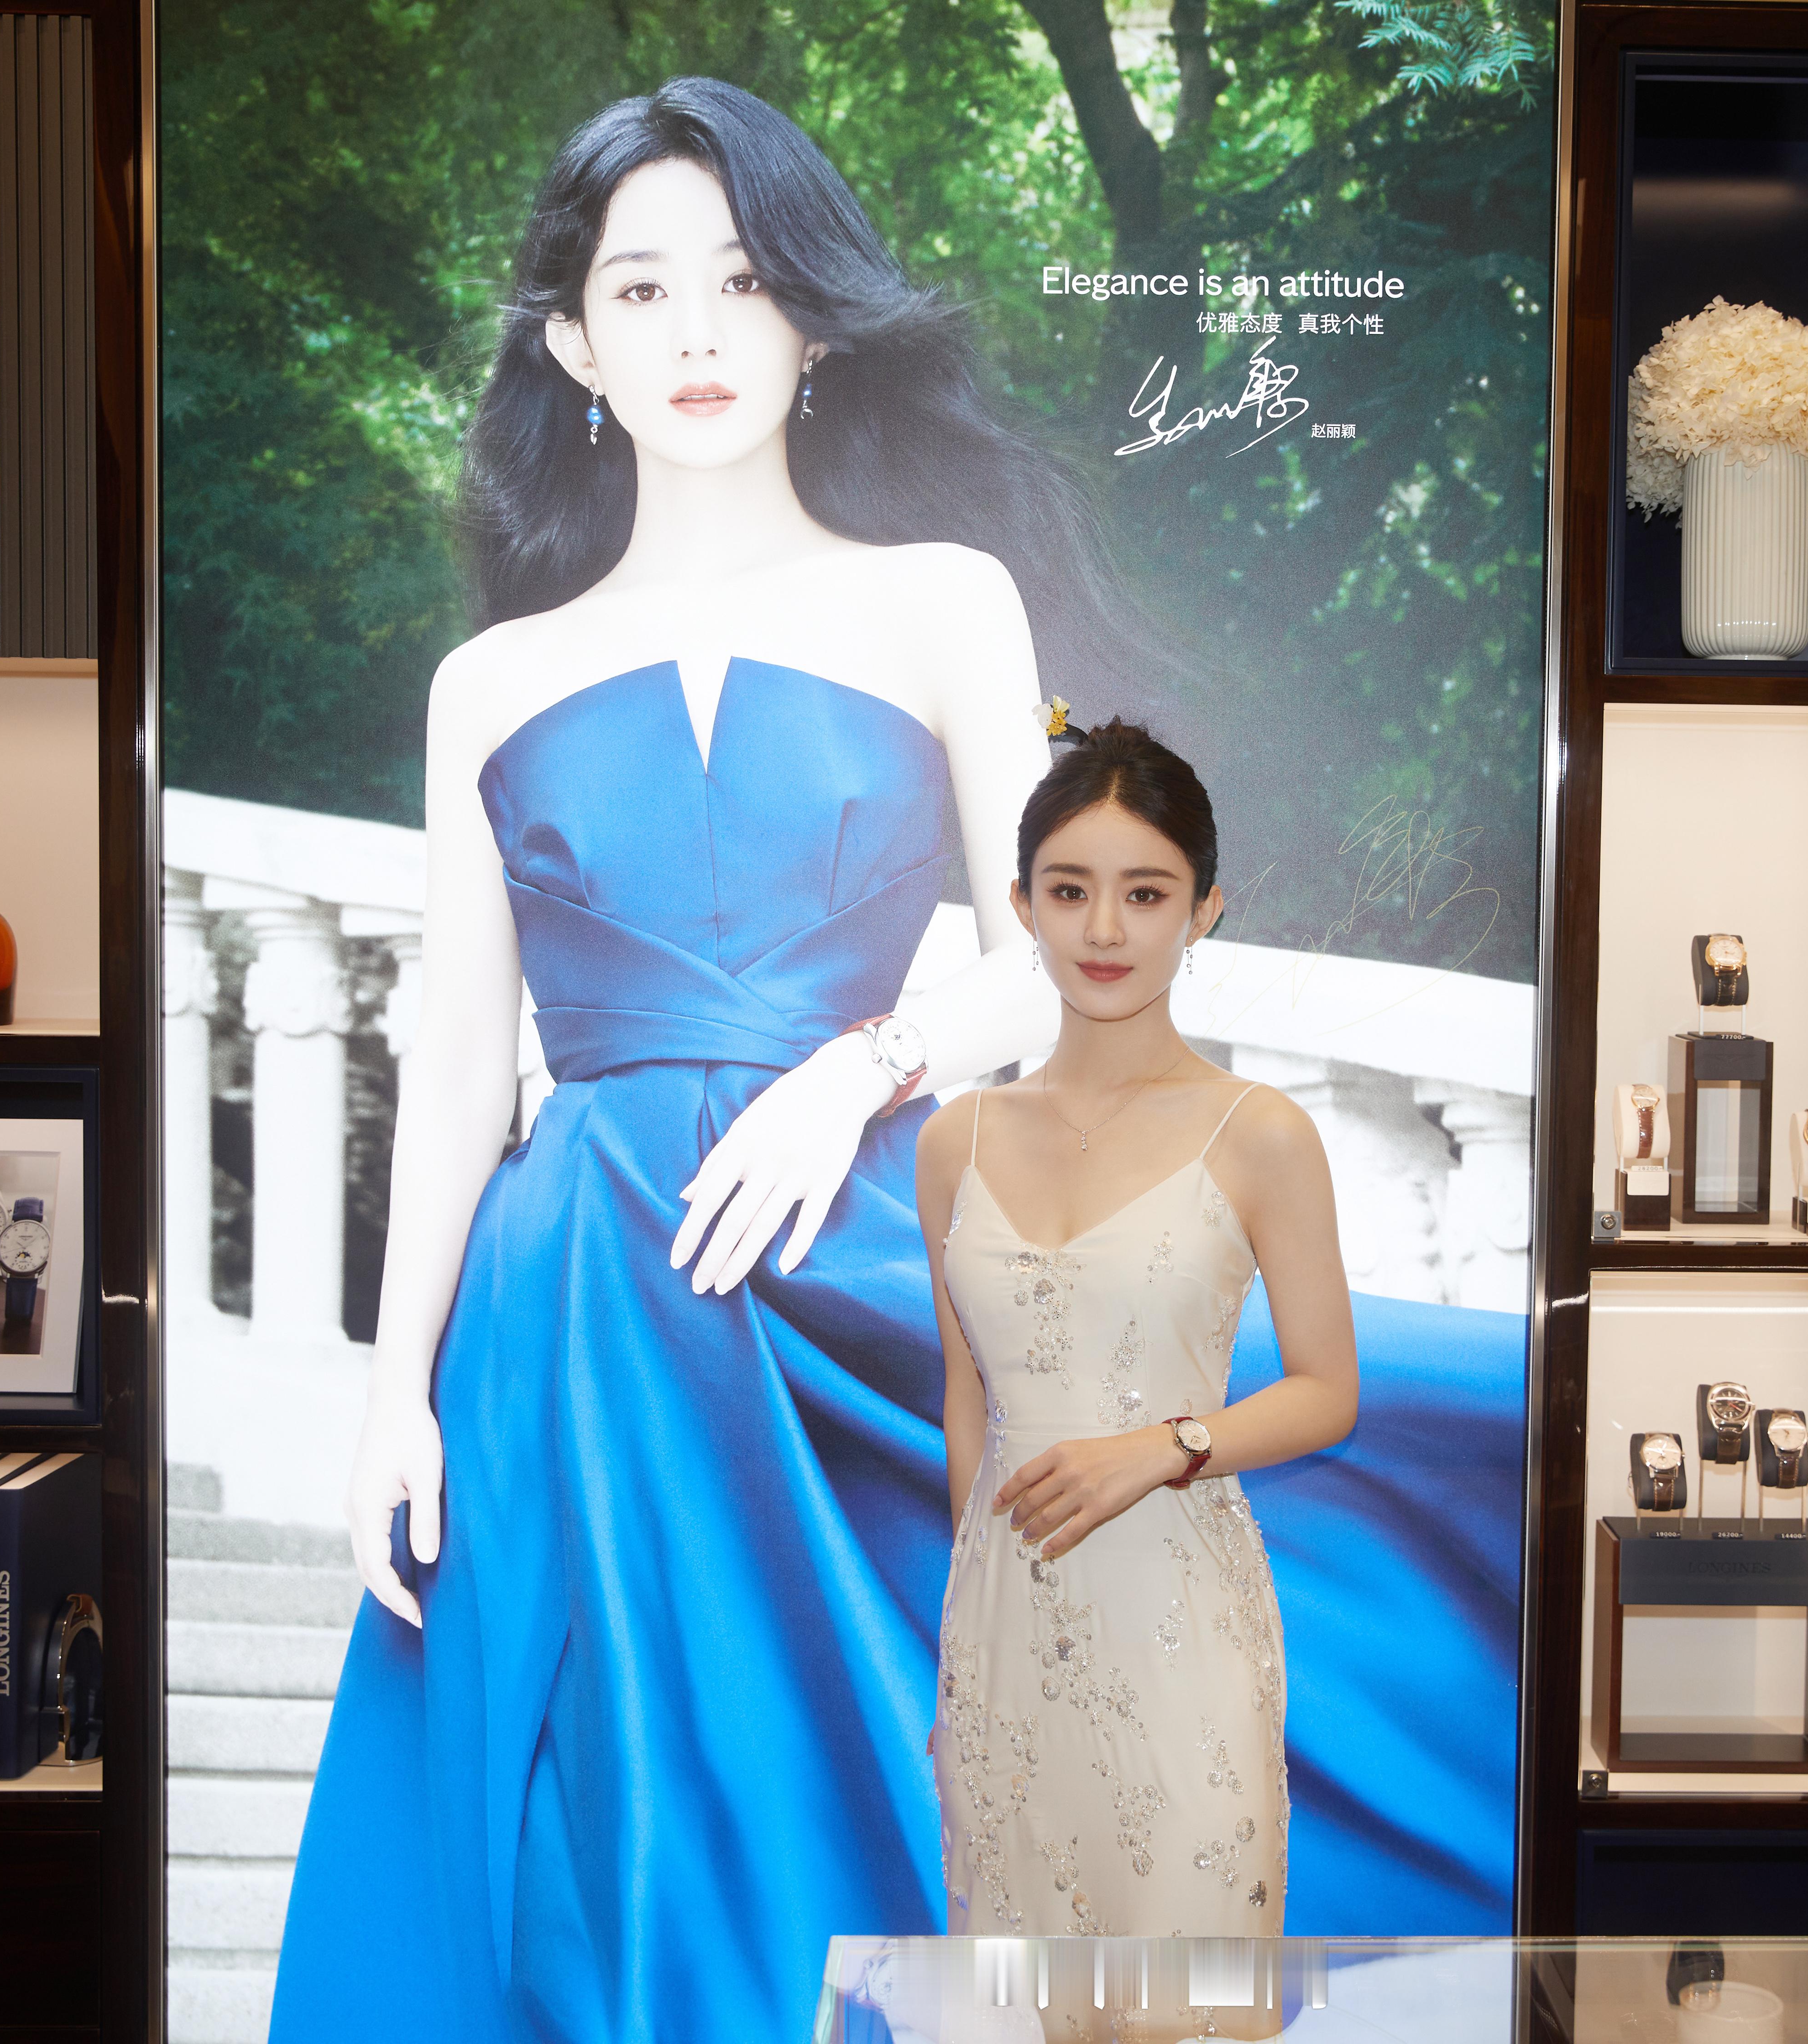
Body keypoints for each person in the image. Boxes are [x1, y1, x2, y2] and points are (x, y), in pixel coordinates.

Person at [269, 76, 1136, 2041]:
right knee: (584, 1865)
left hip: (852, 1264)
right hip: (572, 1310)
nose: (697, 332)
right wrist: (394, 1392)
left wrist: (860, 1070)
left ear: (813, 319)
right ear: (573, 344)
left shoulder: (942, 601)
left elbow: (1061, 959)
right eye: (640, 289)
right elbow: (460, 1068)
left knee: (889, 1799)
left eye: (743, 280)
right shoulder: (488, 682)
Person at [920, 723, 1356, 1994]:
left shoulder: (1260, 1133)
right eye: (1070, 891)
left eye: (1146, 893)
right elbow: (967, 1408)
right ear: (1023, 907)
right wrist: (966, 1649)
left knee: (1184, 2001)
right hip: (1003, 1633)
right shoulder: (954, 1140)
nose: (1104, 928)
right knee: (1018, 2009)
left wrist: (1163, 1449)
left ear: (1202, 909)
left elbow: (1328, 1391)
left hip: (1182, 1625)